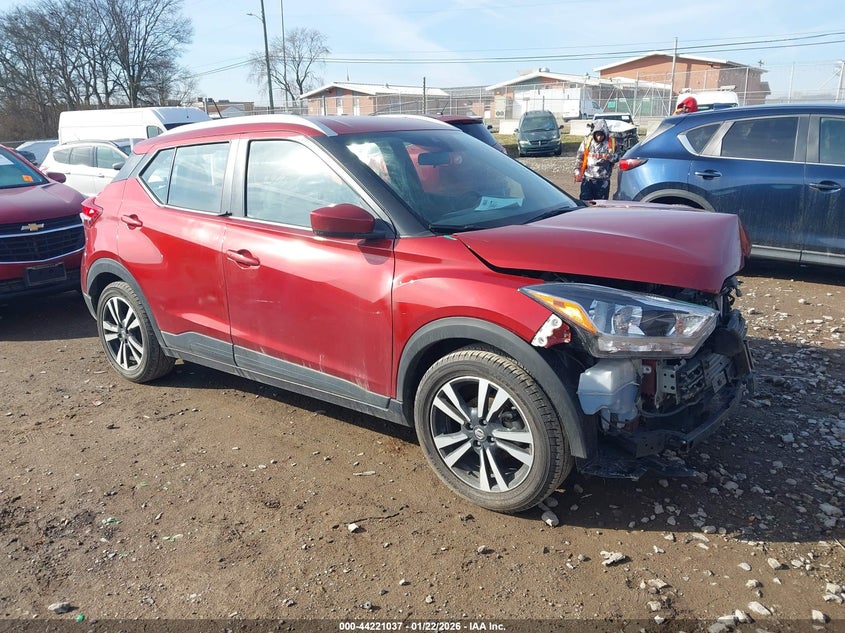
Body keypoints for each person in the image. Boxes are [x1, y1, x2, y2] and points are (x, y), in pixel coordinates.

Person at [574, 118, 619, 201]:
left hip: (603, 180)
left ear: (605, 134)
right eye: (597, 135)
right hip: (588, 179)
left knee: (601, 204)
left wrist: (610, 157)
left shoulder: (612, 143)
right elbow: (580, 156)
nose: (599, 137)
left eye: (601, 135)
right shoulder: (588, 141)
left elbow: (618, 157)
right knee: (585, 202)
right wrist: (577, 170)